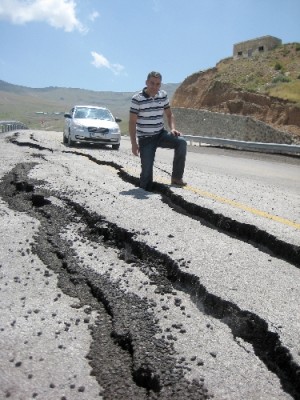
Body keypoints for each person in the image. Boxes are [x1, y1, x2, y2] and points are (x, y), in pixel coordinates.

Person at [129, 71, 187, 191]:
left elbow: (170, 115)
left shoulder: (163, 95)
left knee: (181, 142)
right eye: (152, 83)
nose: (155, 87)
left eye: (158, 84)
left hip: (161, 135)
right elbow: (132, 122)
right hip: (145, 139)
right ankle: (145, 188)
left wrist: (173, 129)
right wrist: (134, 144)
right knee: (146, 177)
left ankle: (176, 177)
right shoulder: (137, 99)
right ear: (146, 83)